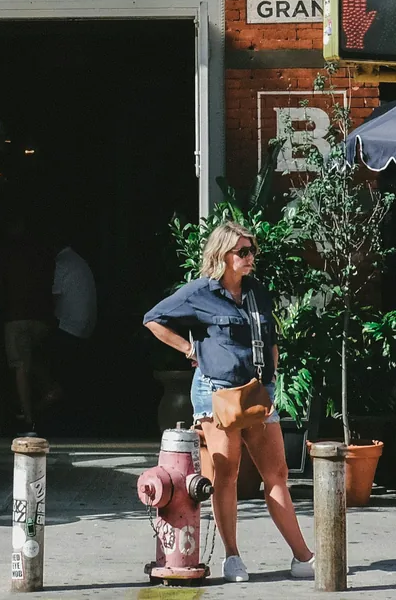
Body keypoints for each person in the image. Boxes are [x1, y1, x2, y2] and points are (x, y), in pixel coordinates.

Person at [144, 221, 314, 583]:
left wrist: (272, 369)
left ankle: (303, 557)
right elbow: (153, 320)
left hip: (256, 393)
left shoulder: (257, 293)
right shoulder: (199, 293)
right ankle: (232, 557)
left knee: (278, 474)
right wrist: (190, 349)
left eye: (252, 250)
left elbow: (269, 336)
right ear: (222, 255)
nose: (250, 257)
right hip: (216, 392)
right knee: (227, 476)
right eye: (243, 251)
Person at [0, 214, 57, 430]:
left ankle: (28, 418)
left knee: (20, 366)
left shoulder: (8, 253)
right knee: (32, 358)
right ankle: (49, 391)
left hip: (17, 316)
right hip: (43, 317)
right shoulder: (43, 252)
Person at [49, 241, 97, 432]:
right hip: (84, 327)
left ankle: (52, 406)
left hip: (69, 327)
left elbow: (53, 297)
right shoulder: (77, 261)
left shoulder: (62, 263)